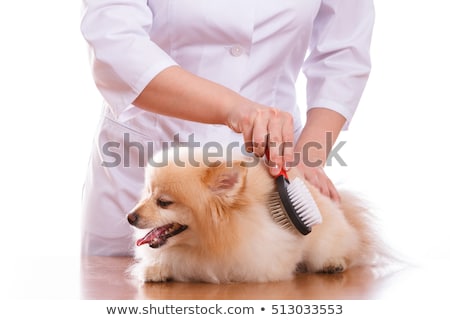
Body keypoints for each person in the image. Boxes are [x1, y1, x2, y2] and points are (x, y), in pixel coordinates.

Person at [80, 1, 375, 256]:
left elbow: (344, 51)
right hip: (144, 162)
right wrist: (235, 109)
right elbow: (116, 44)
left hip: (269, 174)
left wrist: (310, 155)